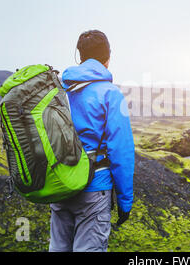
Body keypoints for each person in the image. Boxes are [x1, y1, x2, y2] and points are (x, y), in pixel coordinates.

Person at [49, 30, 135, 252]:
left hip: (60, 184)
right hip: (94, 189)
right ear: (108, 58)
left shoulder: (60, 91)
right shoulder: (110, 94)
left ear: (80, 57)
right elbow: (121, 153)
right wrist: (125, 203)